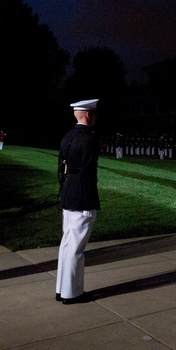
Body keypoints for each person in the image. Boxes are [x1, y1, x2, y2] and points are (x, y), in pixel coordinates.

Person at [56, 98, 101, 304]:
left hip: (68, 193)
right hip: (82, 196)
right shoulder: (90, 139)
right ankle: (71, 293)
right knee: (75, 248)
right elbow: (88, 173)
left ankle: (61, 289)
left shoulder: (67, 136)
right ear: (89, 115)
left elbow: (61, 170)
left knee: (67, 244)